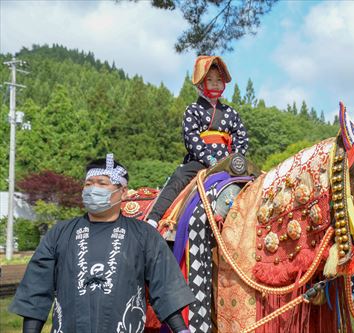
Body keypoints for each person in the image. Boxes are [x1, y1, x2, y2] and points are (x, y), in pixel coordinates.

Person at [10, 154, 195, 333]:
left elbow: (165, 286)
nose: (93, 189)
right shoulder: (60, 233)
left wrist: (181, 329)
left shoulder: (144, 234)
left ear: (122, 192)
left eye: (102, 183)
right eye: (88, 184)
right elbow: (36, 289)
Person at [146, 55, 249, 227]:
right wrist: (211, 160)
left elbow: (241, 136)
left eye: (219, 79)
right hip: (200, 161)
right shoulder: (192, 110)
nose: (215, 83)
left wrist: (235, 159)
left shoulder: (231, 113)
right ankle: (154, 218)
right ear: (201, 83)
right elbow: (192, 138)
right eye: (210, 79)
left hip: (228, 163)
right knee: (179, 176)